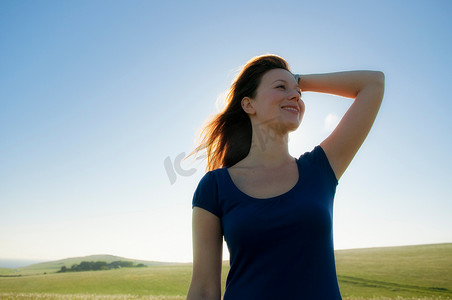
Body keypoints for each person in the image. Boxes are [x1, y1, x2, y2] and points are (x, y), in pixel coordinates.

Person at [186, 54, 385, 299]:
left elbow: (374, 83)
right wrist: (291, 81)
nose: (296, 96)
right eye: (280, 87)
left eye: (298, 92)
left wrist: (296, 80)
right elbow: (204, 290)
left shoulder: (320, 170)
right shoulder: (215, 186)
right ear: (249, 105)